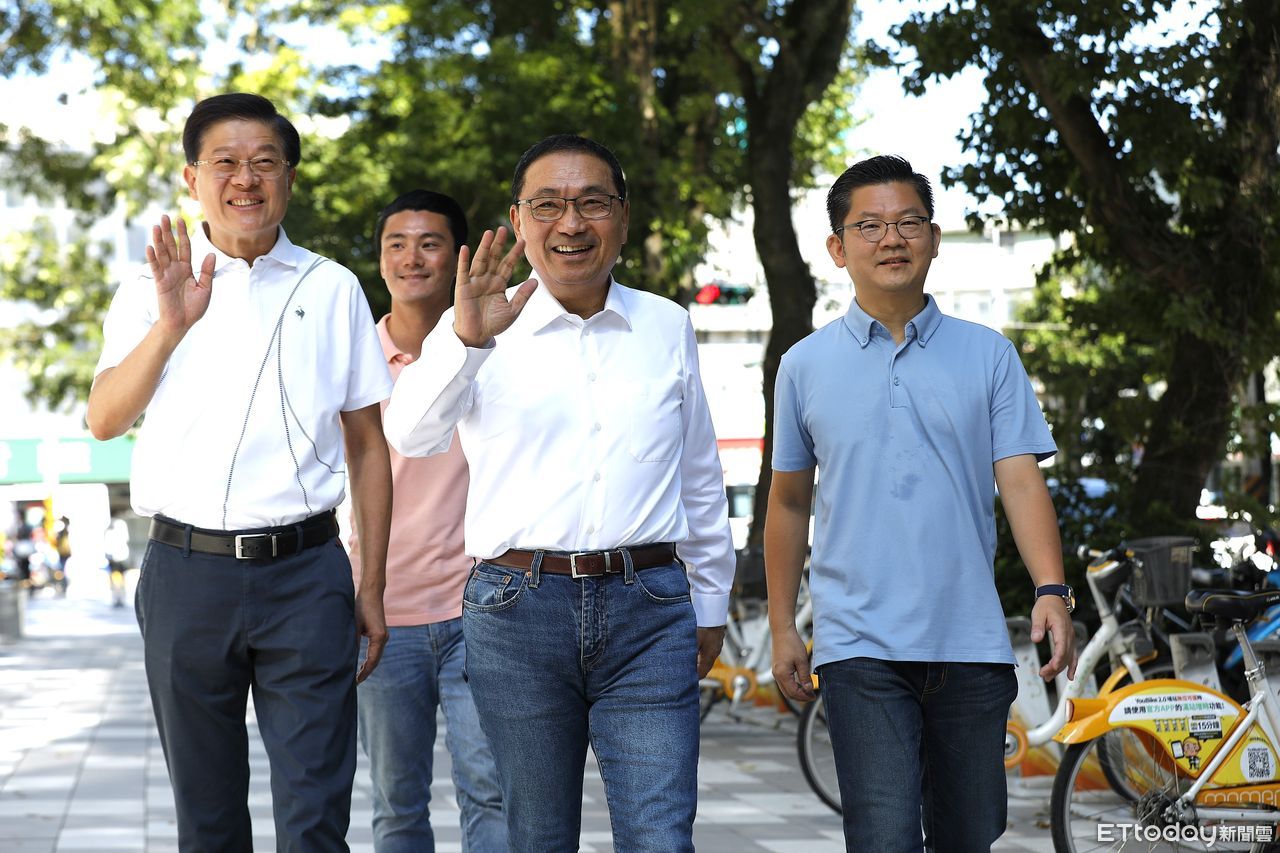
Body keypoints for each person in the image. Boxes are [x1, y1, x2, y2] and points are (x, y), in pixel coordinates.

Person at [382, 134, 735, 852]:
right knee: (535, 835)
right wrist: (466, 341)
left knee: (662, 835)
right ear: (518, 220)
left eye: (592, 203)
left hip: (650, 604)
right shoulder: (478, 324)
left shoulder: (666, 324)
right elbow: (411, 434)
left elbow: (698, 472)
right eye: (548, 205)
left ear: (622, 217)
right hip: (517, 609)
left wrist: (711, 598)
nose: (571, 223)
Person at [86, 92, 392, 852]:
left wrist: (371, 585)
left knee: (317, 817)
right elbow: (104, 419)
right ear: (193, 178)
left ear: (290, 177)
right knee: (209, 820)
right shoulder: (147, 288)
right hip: (186, 573)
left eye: (265, 162)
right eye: (225, 162)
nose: (245, 179)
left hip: (308, 572)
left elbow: (367, 446)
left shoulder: (331, 286)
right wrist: (170, 326)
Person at [764, 154, 1078, 852]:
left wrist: (1051, 589)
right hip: (858, 644)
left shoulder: (989, 354)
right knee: (884, 834)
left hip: (969, 640)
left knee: (970, 833)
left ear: (934, 239)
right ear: (838, 248)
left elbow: (1021, 480)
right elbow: (787, 503)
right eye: (870, 225)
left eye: (908, 222)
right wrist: (784, 625)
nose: (891, 238)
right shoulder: (803, 365)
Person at [349, 189, 505, 851]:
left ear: (458, 257)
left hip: (483, 608)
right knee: (396, 801)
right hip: (380, 615)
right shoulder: (351, 358)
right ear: (381, 259)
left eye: (430, 243)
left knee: (492, 789)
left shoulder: (493, 348)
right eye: (397, 244)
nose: (412, 258)